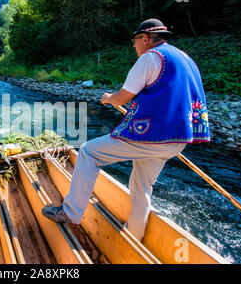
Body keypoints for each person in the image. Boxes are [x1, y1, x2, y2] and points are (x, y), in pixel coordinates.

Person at [41, 19, 211, 241]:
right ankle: (134, 234)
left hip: (150, 135)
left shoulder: (151, 57)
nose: (133, 46)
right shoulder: (187, 60)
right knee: (141, 186)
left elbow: (124, 96)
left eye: (135, 40)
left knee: (88, 152)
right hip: (178, 140)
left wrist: (108, 99)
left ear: (146, 39)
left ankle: (70, 212)